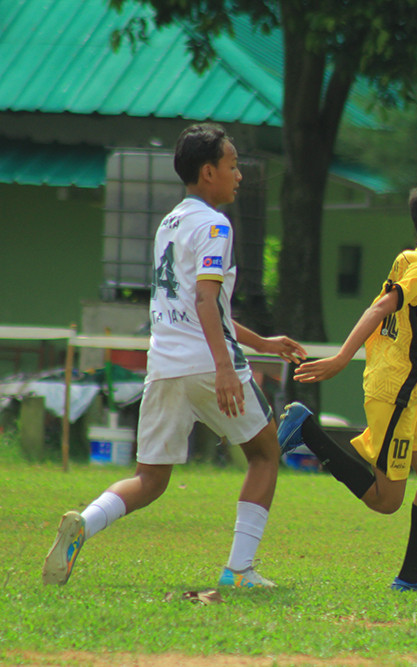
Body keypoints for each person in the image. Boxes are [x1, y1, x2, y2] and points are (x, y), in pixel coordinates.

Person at [42, 123, 306, 588]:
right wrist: (226, 368)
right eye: (232, 165)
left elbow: (198, 305)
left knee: (150, 478)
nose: (238, 174)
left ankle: (84, 523)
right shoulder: (216, 224)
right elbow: (205, 303)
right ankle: (239, 571)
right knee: (265, 454)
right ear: (208, 172)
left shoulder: (170, 223)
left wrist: (262, 343)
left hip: (163, 366)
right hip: (207, 364)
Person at [277, 167, 417, 593]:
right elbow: (380, 309)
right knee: (387, 501)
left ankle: (412, 577)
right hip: (396, 396)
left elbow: (405, 324)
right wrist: (343, 357)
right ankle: (306, 429)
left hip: (415, 393)